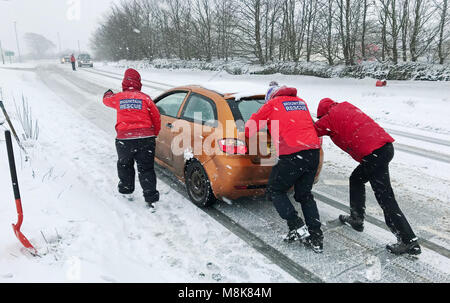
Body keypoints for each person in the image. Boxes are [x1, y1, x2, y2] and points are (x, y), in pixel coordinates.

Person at [314, 98, 421, 255]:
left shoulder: (329, 118)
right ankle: (356, 218)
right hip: (385, 148)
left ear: (323, 113)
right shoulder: (346, 106)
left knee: (385, 197)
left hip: (374, 154)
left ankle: (408, 241)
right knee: (356, 179)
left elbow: (311, 130)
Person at [245, 82, 324, 253]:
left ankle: (296, 225)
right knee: (304, 194)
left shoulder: (272, 104)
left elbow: (250, 128)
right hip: (312, 152)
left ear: (270, 97)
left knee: (275, 191)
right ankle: (316, 237)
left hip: (292, 154)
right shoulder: (300, 102)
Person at [103, 68, 161, 208]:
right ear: (139, 83)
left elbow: (106, 101)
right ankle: (150, 198)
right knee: (146, 168)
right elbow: (156, 117)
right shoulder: (145, 98)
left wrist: (108, 93)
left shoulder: (118, 98)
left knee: (125, 165)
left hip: (125, 140)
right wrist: (154, 133)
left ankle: (126, 190)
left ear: (124, 82)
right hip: (146, 139)